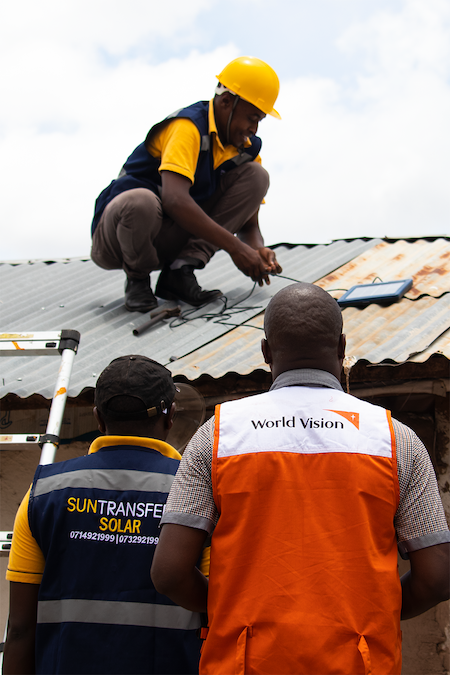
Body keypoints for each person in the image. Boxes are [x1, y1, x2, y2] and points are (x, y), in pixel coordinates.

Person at [151, 282, 450, 675]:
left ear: (265, 352)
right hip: (359, 660)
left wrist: (233, 608)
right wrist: (376, 614)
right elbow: (437, 577)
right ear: (342, 347)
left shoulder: (219, 434)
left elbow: (169, 572)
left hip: (244, 660)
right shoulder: (396, 440)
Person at [3, 355, 205, 675]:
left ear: (98, 418)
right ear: (170, 416)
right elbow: (221, 613)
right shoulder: (197, 493)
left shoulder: (43, 492)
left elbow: (19, 629)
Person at [90, 56, 282, 312]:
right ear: (226, 102)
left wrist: (257, 250)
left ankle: (179, 273)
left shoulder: (245, 149)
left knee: (258, 175)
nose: (254, 129)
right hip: (119, 239)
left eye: (259, 120)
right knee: (141, 202)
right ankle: (137, 280)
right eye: (251, 117)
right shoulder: (188, 127)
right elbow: (174, 200)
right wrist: (236, 249)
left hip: (168, 236)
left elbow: (248, 226)